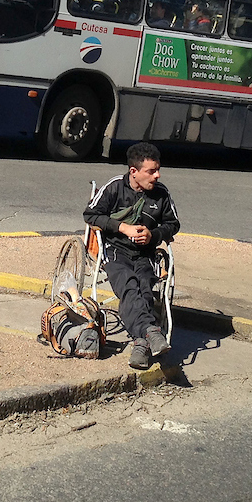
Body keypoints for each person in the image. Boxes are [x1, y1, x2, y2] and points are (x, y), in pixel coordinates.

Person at [83, 142, 181, 370]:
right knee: (128, 285)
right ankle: (151, 332)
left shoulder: (161, 194)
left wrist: (153, 235)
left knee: (144, 288)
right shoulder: (115, 187)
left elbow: (173, 224)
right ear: (134, 171)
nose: (157, 175)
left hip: (145, 253)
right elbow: (90, 215)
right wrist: (122, 228)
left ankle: (141, 344)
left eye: (158, 170)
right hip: (115, 250)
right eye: (151, 171)